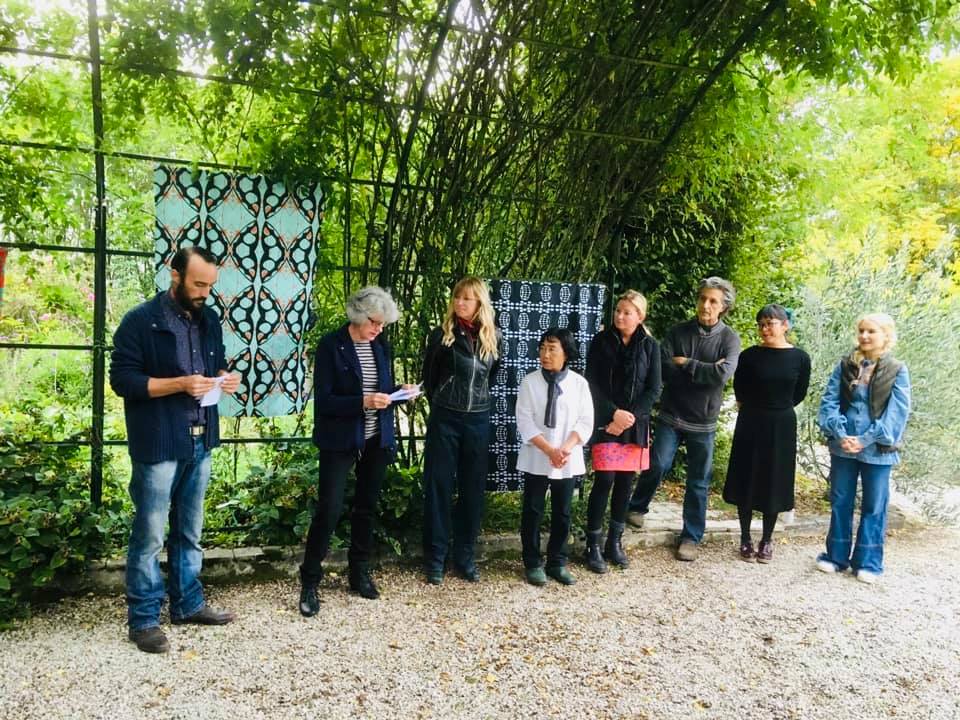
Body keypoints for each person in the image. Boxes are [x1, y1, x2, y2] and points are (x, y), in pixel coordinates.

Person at [110, 246, 241, 654]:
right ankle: (144, 618)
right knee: (150, 533)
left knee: (190, 530)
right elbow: (124, 381)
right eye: (198, 284)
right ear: (175, 275)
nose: (205, 292)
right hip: (159, 441)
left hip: (201, 438)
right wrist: (180, 383)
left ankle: (187, 604)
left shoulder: (210, 320)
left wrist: (222, 378)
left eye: (210, 285)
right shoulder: (140, 321)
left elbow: (210, 365)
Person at [298, 286, 417, 616]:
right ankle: (309, 580)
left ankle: (358, 571)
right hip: (340, 438)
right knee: (330, 509)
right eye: (375, 323)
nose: (379, 330)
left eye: (382, 325)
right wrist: (363, 402)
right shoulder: (331, 346)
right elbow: (324, 401)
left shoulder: (381, 346)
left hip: (375, 437)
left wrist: (399, 392)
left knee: (366, 506)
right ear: (358, 316)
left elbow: (380, 390)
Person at [626, 276, 741, 562]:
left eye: (713, 301)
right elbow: (664, 368)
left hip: (704, 421)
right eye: (703, 298)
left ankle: (691, 536)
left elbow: (722, 375)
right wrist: (702, 369)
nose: (706, 305)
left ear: (723, 307)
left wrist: (686, 363)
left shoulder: (730, 339)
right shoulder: (679, 332)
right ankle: (637, 507)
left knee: (698, 481)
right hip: (672, 413)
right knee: (658, 462)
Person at [816, 313, 911, 584]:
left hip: (878, 449)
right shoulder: (846, 365)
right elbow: (829, 402)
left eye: (871, 331)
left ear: (885, 335)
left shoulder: (897, 369)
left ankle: (868, 562)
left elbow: (897, 413)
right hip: (843, 446)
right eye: (861, 330)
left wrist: (866, 438)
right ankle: (835, 557)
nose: (865, 336)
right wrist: (841, 433)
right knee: (840, 501)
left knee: (874, 506)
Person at [421, 277, 501, 585]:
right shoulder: (442, 336)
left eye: (467, 299)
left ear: (480, 304)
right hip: (446, 419)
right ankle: (436, 558)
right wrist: (445, 402)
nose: (460, 303)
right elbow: (429, 378)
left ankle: (465, 556)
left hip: (479, 421)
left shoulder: (494, 337)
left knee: (472, 491)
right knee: (439, 488)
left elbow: (490, 378)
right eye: (457, 298)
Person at [722, 304, 810, 563]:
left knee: (774, 479)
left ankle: (767, 539)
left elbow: (799, 393)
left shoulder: (800, 358)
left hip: (781, 423)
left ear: (785, 325)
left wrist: (776, 407)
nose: (765, 328)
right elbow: (740, 389)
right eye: (761, 324)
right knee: (746, 477)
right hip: (751, 420)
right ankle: (745, 538)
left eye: (770, 323)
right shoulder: (749, 356)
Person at [583, 290, 662, 574]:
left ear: (640, 316)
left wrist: (628, 418)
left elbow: (654, 388)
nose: (620, 316)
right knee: (604, 480)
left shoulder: (651, 346)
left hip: (633, 424)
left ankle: (614, 542)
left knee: (625, 483)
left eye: (627, 312)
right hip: (606, 421)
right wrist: (612, 414)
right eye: (618, 310)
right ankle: (592, 543)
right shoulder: (601, 341)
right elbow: (591, 383)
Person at [515, 328, 594, 586]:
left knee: (563, 511)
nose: (545, 354)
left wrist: (566, 448)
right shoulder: (530, 382)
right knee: (533, 510)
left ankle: (557, 562)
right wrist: (549, 450)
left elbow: (585, 421)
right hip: (538, 455)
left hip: (566, 457)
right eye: (542, 348)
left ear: (566, 353)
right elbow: (524, 420)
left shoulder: (579, 384)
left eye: (552, 349)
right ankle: (532, 562)